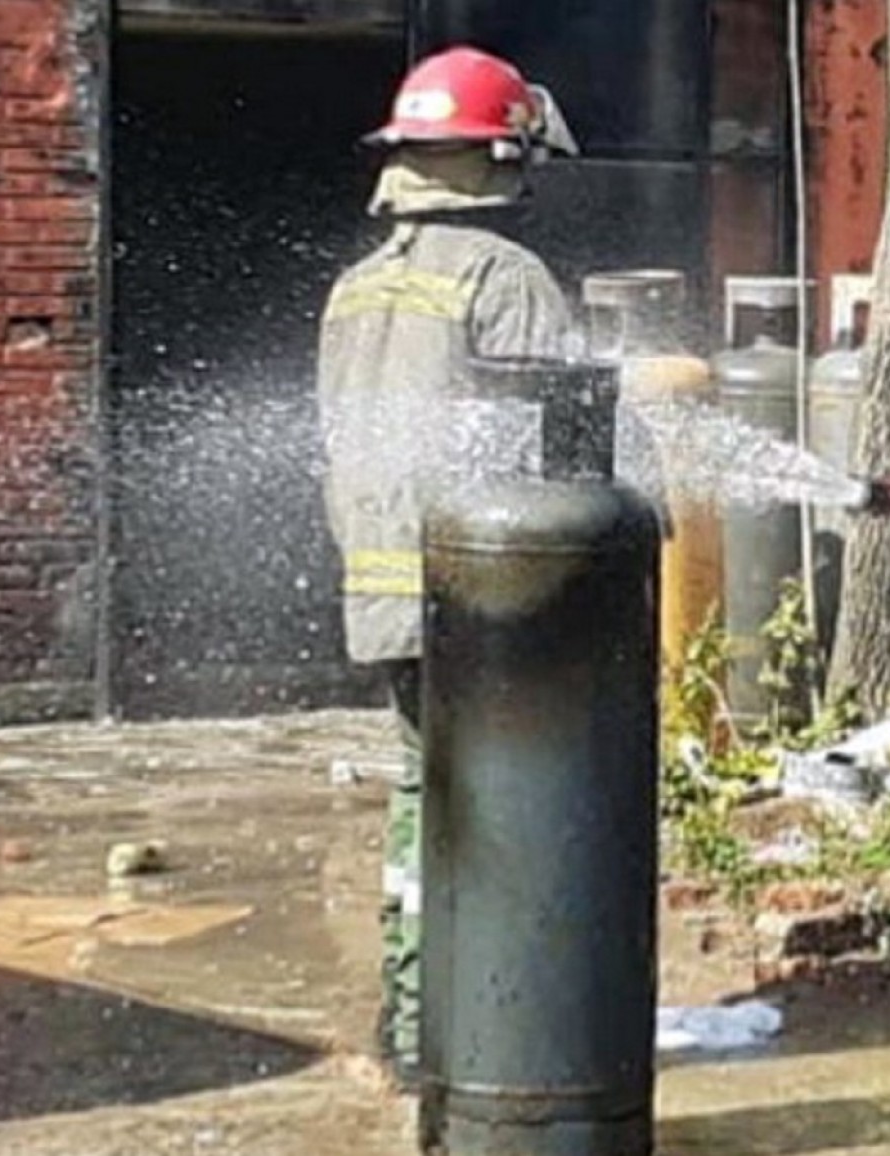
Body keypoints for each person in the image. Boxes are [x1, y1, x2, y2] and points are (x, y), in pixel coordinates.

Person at [316, 44, 577, 1084]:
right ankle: (491, 1028)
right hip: (489, 596)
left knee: (427, 802)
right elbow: (559, 453)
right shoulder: (504, 277)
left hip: (386, 592)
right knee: (511, 814)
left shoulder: (355, 289)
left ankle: (410, 1017)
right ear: (498, 153)